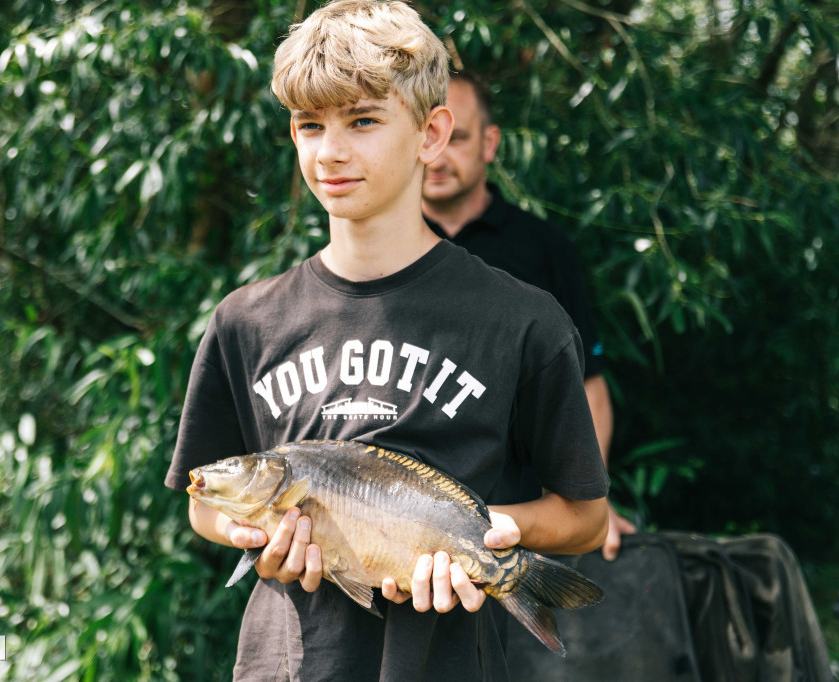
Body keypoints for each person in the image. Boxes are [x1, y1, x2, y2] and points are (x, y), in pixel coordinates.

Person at [164, 2, 609, 679]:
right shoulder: (245, 321)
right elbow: (203, 498)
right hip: (288, 664)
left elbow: (585, 517)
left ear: (432, 134)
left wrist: (486, 535)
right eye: (309, 125)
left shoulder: (524, 321)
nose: (331, 151)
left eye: (363, 120)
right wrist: (250, 535)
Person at [421, 72, 635, 561]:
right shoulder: (382, 250)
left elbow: (589, 386)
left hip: (521, 512)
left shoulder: (545, 248)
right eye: (430, 137)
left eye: (458, 138)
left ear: (490, 143)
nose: (439, 154)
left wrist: (588, 505)